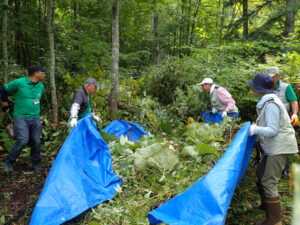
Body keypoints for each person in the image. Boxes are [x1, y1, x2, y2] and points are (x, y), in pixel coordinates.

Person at [248, 73, 298, 225]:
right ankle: (266, 206)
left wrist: (254, 129)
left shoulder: (271, 104)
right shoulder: (266, 101)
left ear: (259, 89)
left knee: (269, 182)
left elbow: (272, 130)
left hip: (280, 146)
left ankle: (274, 221)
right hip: (274, 146)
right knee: (261, 173)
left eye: (253, 87)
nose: (251, 89)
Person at [1, 65, 47, 172]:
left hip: (35, 118)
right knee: (22, 140)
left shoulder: (41, 86)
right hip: (21, 117)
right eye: (42, 73)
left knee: (36, 141)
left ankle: (35, 163)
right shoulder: (20, 82)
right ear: (36, 73)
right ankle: (8, 162)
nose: (44, 75)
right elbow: (3, 89)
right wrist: (5, 102)